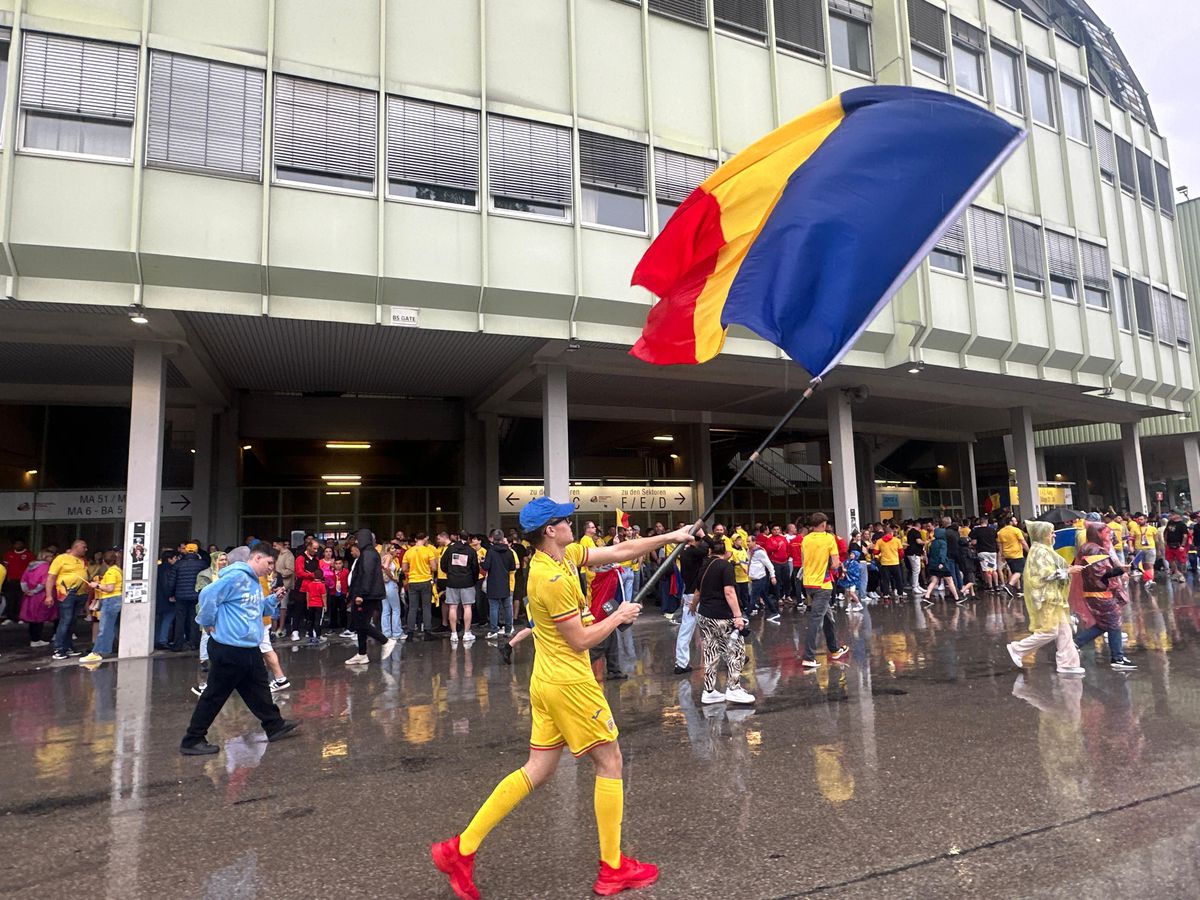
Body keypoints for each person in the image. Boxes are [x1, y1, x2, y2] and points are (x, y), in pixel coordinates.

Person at [431, 498, 696, 900]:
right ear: (549, 531)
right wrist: (619, 616)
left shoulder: (565, 556)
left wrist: (673, 536)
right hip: (570, 684)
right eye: (564, 519)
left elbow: (620, 550)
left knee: (536, 769)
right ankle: (612, 868)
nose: (572, 522)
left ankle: (460, 849)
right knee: (610, 762)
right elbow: (581, 640)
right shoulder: (548, 578)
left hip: (547, 681)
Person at [180, 543, 300, 755]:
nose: (271, 568)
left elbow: (255, 607)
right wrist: (207, 621)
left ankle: (274, 725)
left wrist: (272, 599)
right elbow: (208, 594)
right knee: (215, 695)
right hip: (230, 648)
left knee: (258, 689)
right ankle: (192, 739)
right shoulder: (237, 577)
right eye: (269, 562)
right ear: (256, 559)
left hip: (248, 648)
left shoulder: (253, 581)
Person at [1005, 521, 1085, 675]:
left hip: (1053, 597)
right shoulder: (1040, 552)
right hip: (1045, 598)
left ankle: (1067, 664)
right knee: (1050, 631)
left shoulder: (1045, 550)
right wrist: (1068, 571)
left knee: (1064, 631)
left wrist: (1068, 569)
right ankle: (1018, 648)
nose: (1054, 535)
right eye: (1051, 533)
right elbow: (1045, 574)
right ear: (1043, 535)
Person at [692, 539, 755, 705]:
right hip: (722, 615)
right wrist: (738, 616)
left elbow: (697, 592)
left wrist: (693, 607)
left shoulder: (704, 566)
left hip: (705, 614)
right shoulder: (725, 566)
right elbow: (729, 592)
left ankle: (709, 691)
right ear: (726, 552)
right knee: (736, 652)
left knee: (711, 653)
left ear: (710, 551)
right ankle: (733, 688)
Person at [1072, 523, 1136, 670]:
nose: (1110, 535)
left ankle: (1076, 643)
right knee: (1113, 622)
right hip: (1099, 593)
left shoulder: (1091, 548)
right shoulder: (1094, 550)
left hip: (1097, 592)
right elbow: (1100, 575)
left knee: (1105, 623)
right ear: (1097, 534)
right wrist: (1120, 571)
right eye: (1106, 533)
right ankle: (1117, 658)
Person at [799, 513, 848, 669]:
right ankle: (809, 657)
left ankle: (834, 649)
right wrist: (834, 564)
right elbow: (835, 564)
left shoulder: (805, 539)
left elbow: (803, 559)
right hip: (823, 585)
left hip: (808, 583)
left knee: (828, 618)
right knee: (815, 620)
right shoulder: (829, 538)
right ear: (823, 524)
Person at [346, 528, 396, 665]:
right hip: (368, 594)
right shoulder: (369, 553)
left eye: (358, 539)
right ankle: (362, 653)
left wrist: (360, 594)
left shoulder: (367, 554)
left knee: (360, 623)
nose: (356, 541)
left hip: (366, 595)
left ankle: (386, 641)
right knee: (361, 624)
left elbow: (366, 575)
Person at [673, 527, 711, 675]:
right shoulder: (694, 552)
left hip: (690, 593)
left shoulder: (685, 553)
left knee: (686, 630)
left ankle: (681, 663)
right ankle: (732, 656)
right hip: (698, 595)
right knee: (716, 626)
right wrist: (704, 535)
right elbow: (711, 546)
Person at [47, 538, 89, 660]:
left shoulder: (82, 561)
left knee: (73, 621)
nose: (86, 549)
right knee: (66, 620)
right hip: (66, 594)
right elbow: (51, 577)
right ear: (76, 547)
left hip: (80, 594)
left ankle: (68, 647)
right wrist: (49, 595)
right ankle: (58, 649)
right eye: (84, 547)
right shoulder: (61, 558)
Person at [80, 550, 123, 663]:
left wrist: (96, 585)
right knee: (114, 627)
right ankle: (113, 648)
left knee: (104, 627)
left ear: (104, 561)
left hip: (110, 600)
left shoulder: (110, 573)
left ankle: (98, 652)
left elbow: (110, 588)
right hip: (117, 600)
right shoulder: (118, 570)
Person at [442, 531, 481, 644]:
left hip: (452, 581)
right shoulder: (471, 551)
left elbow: (443, 564)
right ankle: (467, 633)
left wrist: (449, 573)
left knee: (452, 607)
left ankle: (453, 633)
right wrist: (473, 580)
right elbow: (475, 569)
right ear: (468, 538)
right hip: (467, 582)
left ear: (458, 537)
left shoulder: (450, 549)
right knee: (467, 607)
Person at [403, 532, 440, 641]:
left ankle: (410, 633)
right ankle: (427, 632)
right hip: (425, 581)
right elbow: (434, 568)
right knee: (426, 607)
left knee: (412, 608)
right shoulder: (428, 551)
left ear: (415, 539)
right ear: (425, 539)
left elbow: (404, 568)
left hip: (413, 581)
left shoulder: (408, 552)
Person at [482, 530, 516, 640]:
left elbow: (486, 567)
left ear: (493, 538)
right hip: (505, 582)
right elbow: (512, 567)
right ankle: (508, 630)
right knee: (507, 607)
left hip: (493, 583)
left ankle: (494, 630)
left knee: (494, 607)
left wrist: (482, 562)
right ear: (502, 539)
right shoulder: (509, 551)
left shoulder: (490, 551)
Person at [19, 550, 56, 647]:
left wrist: (26, 590)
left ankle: (33, 639)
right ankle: (37, 639)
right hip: (40, 595)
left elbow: (23, 580)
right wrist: (35, 591)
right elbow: (44, 582)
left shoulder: (30, 566)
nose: (52, 559)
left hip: (29, 596)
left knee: (32, 618)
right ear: (45, 557)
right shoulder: (46, 566)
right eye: (50, 557)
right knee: (39, 618)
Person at [746, 535, 778, 622]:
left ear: (754, 542)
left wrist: (773, 576)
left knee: (753, 597)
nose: (747, 543)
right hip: (753, 578)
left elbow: (769, 565)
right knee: (764, 596)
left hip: (760, 578)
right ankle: (774, 612)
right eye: (747, 541)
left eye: (749, 541)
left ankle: (746, 615)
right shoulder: (749, 551)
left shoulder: (760, 552)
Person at [924, 528, 961, 605]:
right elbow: (942, 554)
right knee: (949, 580)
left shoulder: (932, 543)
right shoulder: (943, 543)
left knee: (934, 581)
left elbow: (930, 553)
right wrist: (942, 562)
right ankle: (957, 597)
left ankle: (927, 596)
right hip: (942, 565)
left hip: (933, 564)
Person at [2, 539, 33, 625]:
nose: (17, 545)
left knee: (21, 600)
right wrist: (6, 576)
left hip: (23, 581)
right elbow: (6, 566)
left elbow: (31, 568)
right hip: (11, 580)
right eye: (16, 544)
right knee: (11, 599)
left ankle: (21, 617)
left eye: (19, 544)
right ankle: (10, 617)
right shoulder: (9, 554)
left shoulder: (28, 555)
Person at [997, 517, 1028, 597]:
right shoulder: (1016, 530)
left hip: (1007, 555)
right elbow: (1022, 541)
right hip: (1017, 554)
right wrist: (1029, 550)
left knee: (1014, 571)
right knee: (1019, 571)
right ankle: (1009, 586)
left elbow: (1000, 545)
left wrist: (1002, 555)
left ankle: (1010, 588)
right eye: (1014, 521)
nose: (1016, 522)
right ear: (1010, 522)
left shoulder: (1000, 532)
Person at [872, 524, 903, 601]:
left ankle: (886, 595)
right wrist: (899, 558)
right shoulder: (897, 540)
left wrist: (881, 551)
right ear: (891, 533)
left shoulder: (879, 541)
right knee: (898, 579)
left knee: (885, 580)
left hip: (885, 563)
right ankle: (900, 594)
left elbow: (875, 552)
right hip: (895, 562)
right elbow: (901, 552)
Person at [970, 518, 1000, 592]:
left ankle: (990, 586)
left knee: (987, 570)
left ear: (980, 522)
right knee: (993, 569)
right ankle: (996, 585)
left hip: (983, 552)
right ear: (987, 522)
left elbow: (974, 542)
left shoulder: (976, 531)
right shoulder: (993, 530)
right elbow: (997, 540)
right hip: (992, 552)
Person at [303, 567, 327, 646]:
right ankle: (318, 636)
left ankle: (310, 635)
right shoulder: (322, 585)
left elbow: (307, 596)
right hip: (319, 605)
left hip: (311, 605)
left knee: (310, 620)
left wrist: (308, 604)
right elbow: (324, 596)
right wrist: (325, 605)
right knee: (318, 621)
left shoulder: (309, 584)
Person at [1162, 512, 1188, 582]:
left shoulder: (1182, 525)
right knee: (1170, 559)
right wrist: (1165, 541)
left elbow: (1185, 536)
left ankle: (1181, 574)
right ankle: (1177, 572)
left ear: (1178, 515)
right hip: (1170, 544)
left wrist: (1182, 545)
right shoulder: (1170, 522)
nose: (1171, 516)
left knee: (1182, 561)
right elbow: (1166, 532)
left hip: (1179, 545)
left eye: (1173, 514)